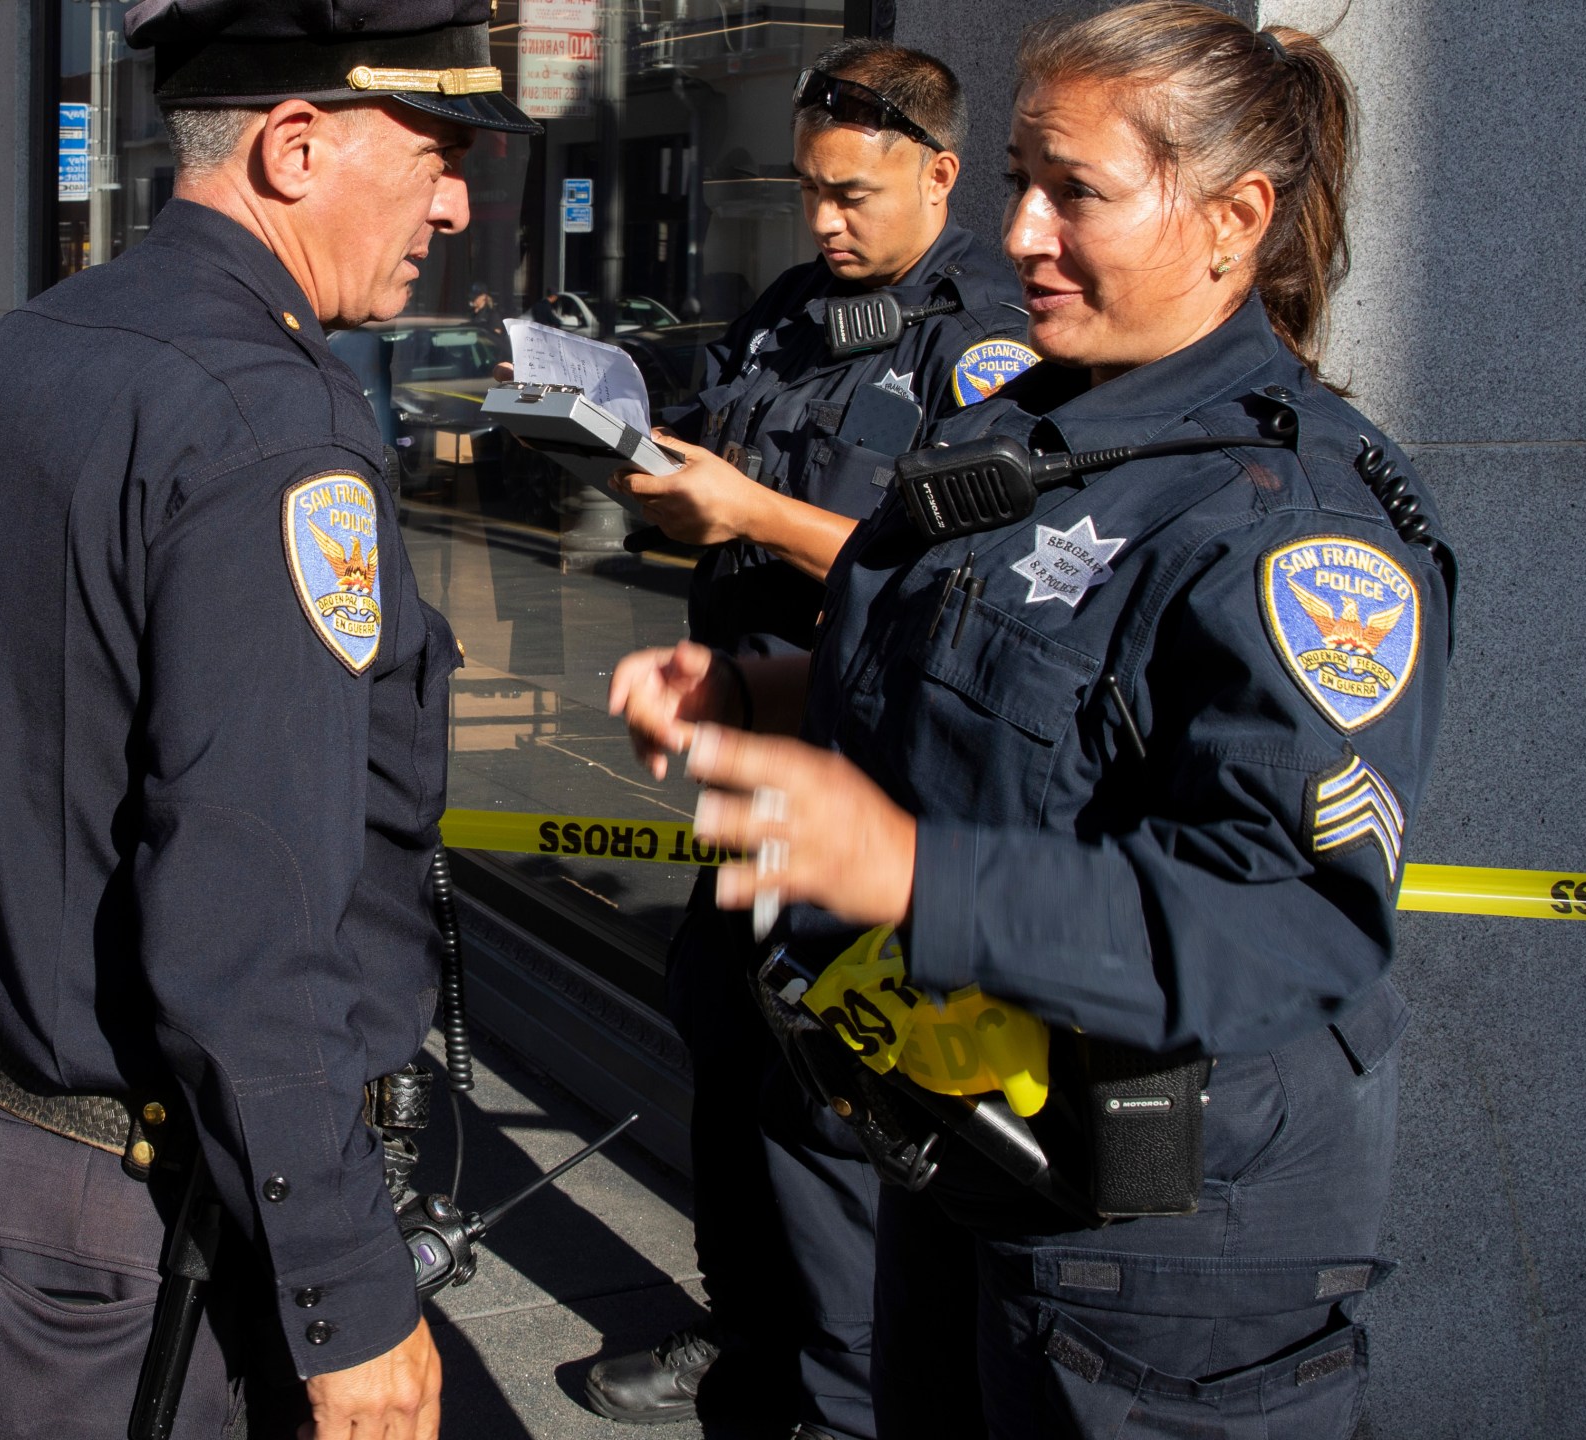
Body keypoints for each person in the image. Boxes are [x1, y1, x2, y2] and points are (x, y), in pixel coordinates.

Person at [611, 6, 1454, 1437]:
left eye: (1076, 191)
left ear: (1233, 219)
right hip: (976, 1148)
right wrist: (768, 696)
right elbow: (998, 688)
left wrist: (914, 876)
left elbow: (1289, 922)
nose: (1019, 234)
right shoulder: (1047, 434)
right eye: (1016, 179)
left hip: (1162, 1255)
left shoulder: (1298, 532)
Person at [0, 3, 537, 1436]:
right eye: (438, 149)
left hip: (7, 1154)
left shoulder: (6, 361)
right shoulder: (274, 430)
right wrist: (346, 1290)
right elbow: (250, 913)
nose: (458, 198)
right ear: (295, 148)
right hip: (164, 1217)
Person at [579, 39, 1032, 1440]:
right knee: (729, 1078)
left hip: (877, 817)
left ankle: (849, 1402)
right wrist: (657, 482)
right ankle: (745, 1350)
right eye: (807, 188)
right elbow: (712, 453)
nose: (824, 219)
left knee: (841, 1142)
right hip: (748, 781)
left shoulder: (989, 347)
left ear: (940, 173)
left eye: (852, 193)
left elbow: (969, 590)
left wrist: (756, 518)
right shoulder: (787, 314)